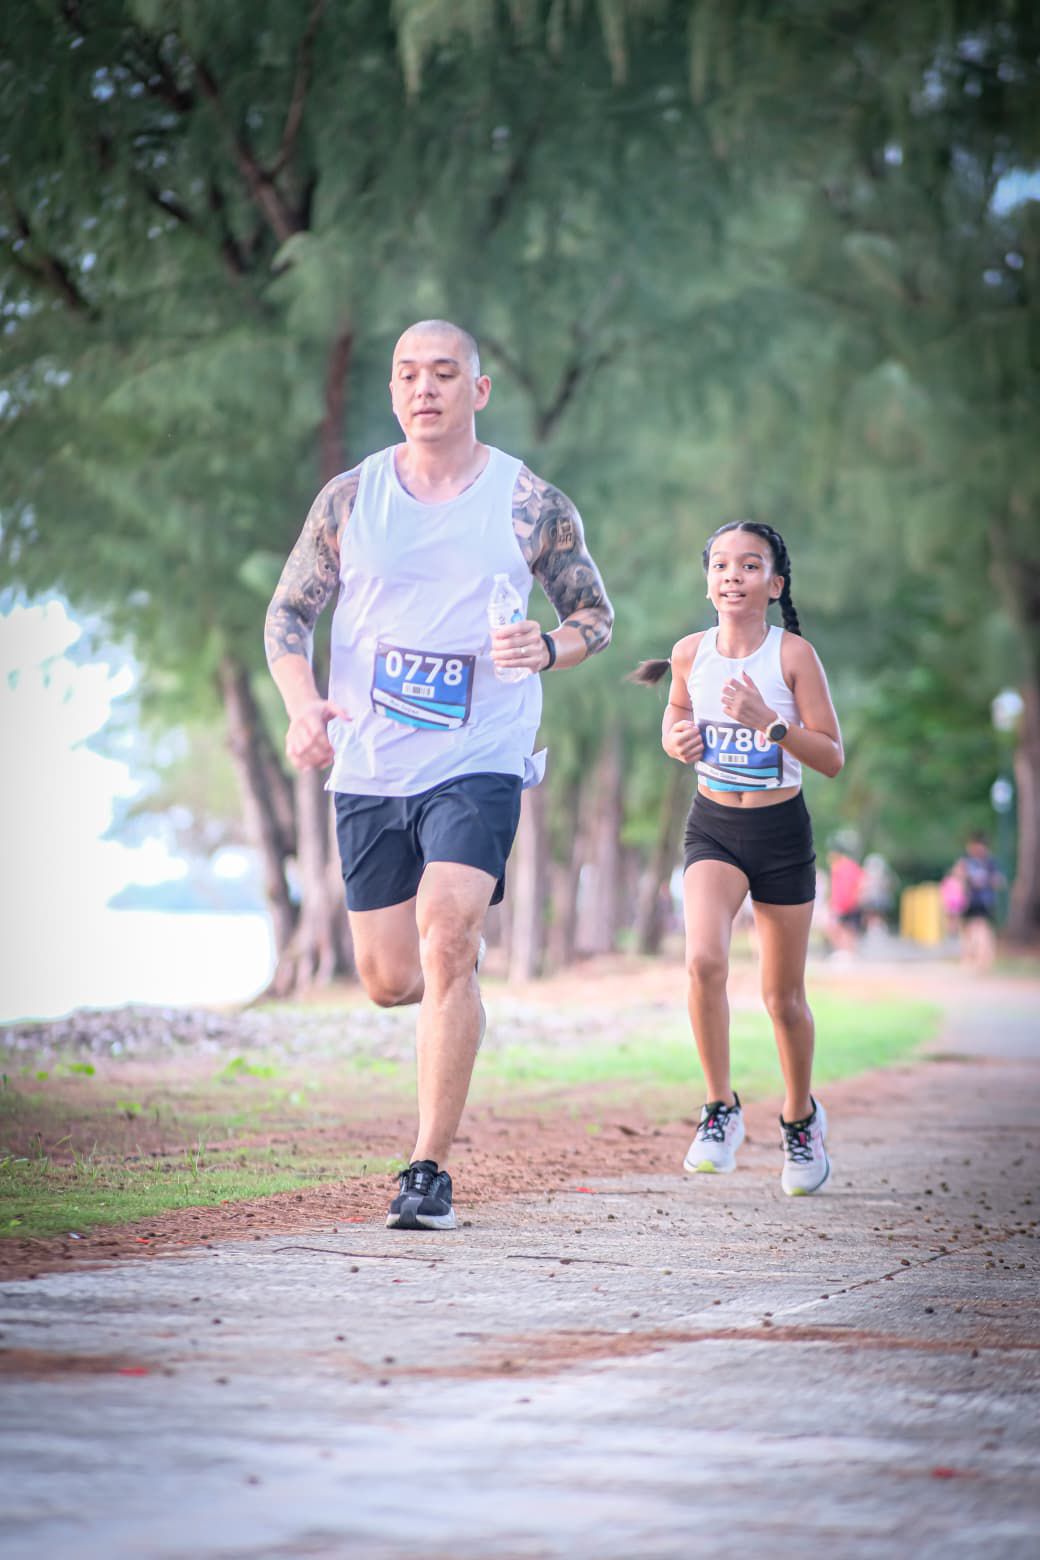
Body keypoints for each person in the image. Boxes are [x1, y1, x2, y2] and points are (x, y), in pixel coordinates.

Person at [264, 319, 613, 1232]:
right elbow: (287, 620)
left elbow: (595, 617)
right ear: (392, 393)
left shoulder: (530, 502)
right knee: (388, 977)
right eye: (410, 375)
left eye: (445, 374)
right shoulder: (348, 500)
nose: (427, 388)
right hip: (372, 764)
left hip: (480, 756)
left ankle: (426, 1172)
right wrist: (305, 707)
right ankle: (450, 977)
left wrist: (548, 647)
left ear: (478, 390)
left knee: (447, 931)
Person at [630, 520, 844, 1195]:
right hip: (714, 828)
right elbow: (673, 716)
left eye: (749, 566)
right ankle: (720, 1109)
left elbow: (832, 757)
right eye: (721, 565)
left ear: (774, 584)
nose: (732, 576)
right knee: (703, 962)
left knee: (782, 998)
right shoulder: (689, 653)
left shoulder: (794, 658)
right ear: (708, 582)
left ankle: (800, 1118)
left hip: (781, 835)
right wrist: (676, 741)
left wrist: (769, 724)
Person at [953, 833, 1004, 972]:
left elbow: (999, 881)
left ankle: (983, 958)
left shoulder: (990, 862)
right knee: (968, 930)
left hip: (983, 901)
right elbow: (957, 875)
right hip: (968, 901)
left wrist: (984, 881)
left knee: (981, 928)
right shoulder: (966, 861)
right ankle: (970, 958)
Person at [827, 846, 865, 954]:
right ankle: (846, 951)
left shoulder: (842, 868)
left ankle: (846, 951)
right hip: (844, 903)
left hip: (846, 904)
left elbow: (860, 883)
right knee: (845, 929)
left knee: (845, 929)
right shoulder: (843, 867)